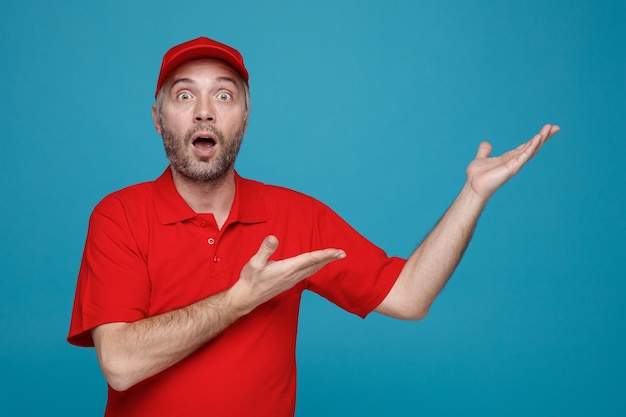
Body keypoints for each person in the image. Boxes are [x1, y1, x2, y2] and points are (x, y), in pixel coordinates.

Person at [67, 36, 560, 417]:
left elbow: (408, 296)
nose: (204, 111)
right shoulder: (119, 216)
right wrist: (240, 299)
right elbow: (121, 364)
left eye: (224, 95)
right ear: (158, 118)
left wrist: (472, 196)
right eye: (183, 95)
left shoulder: (296, 216)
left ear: (244, 116)